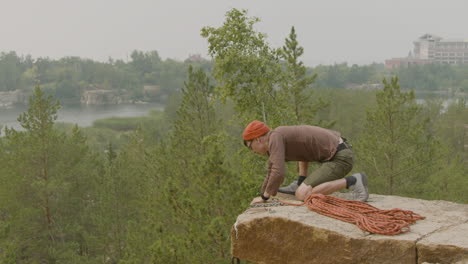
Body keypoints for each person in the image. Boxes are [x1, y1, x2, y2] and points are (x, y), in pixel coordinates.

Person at [242, 120, 368, 204]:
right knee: (302, 189)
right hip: (338, 154)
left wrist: (265, 196)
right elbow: (271, 169)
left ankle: (353, 181)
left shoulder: (275, 137)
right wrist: (263, 194)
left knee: (302, 194)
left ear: (258, 139)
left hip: (341, 157)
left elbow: (278, 172)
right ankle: (300, 183)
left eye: (250, 146)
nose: (252, 151)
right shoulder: (277, 136)